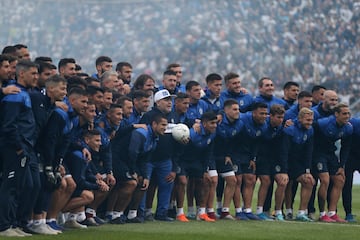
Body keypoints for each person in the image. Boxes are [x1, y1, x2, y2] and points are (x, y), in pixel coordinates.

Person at [0, 60, 39, 237]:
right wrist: (18, 148)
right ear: (21, 74)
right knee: (10, 187)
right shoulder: (14, 95)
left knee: (25, 186)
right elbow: (9, 125)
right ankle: (4, 226)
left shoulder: (23, 93)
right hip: (14, 148)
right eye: (33, 74)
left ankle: (15, 223)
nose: (36, 77)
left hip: (24, 148)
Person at [140, 89, 178, 221]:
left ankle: (162, 213)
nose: (169, 102)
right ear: (157, 102)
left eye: (170, 100)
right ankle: (142, 213)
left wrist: (174, 166)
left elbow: (176, 143)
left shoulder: (174, 116)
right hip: (148, 158)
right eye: (166, 100)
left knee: (167, 185)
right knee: (144, 186)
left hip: (166, 159)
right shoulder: (149, 116)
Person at [125, 112, 168, 223]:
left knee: (143, 183)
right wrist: (132, 171)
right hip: (123, 161)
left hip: (134, 163)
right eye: (162, 125)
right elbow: (131, 153)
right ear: (154, 124)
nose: (165, 128)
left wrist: (145, 176)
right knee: (131, 183)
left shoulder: (155, 138)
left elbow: (145, 159)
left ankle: (132, 214)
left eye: (166, 125)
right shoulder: (141, 133)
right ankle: (114, 213)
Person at [313, 103, 353, 222]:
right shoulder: (323, 124)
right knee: (325, 180)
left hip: (330, 154)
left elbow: (346, 148)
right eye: (344, 113)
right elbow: (310, 134)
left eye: (348, 114)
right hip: (318, 153)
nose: (347, 116)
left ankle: (332, 213)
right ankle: (322, 214)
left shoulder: (348, 128)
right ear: (336, 114)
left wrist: (342, 166)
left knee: (340, 179)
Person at [63, 129, 110, 229]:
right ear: (87, 140)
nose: (100, 144)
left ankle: (72, 219)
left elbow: (87, 173)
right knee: (88, 195)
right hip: (69, 185)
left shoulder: (86, 153)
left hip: (76, 183)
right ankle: (58, 212)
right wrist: (97, 185)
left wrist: (97, 181)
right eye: (97, 141)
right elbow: (79, 181)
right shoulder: (79, 155)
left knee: (95, 188)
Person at [179, 112, 218, 222]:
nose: (215, 125)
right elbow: (181, 150)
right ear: (204, 124)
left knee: (206, 181)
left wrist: (206, 170)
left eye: (215, 123)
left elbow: (208, 152)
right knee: (182, 181)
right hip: (183, 160)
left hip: (197, 161)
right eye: (212, 123)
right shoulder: (191, 133)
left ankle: (201, 212)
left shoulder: (213, 134)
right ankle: (180, 213)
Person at [233, 102, 268, 220]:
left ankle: (247, 210)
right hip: (235, 153)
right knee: (237, 180)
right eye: (261, 113)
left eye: (265, 114)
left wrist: (253, 158)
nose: (264, 116)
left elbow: (257, 142)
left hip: (248, 155)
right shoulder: (242, 119)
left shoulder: (264, 126)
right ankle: (238, 211)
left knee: (251, 179)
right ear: (253, 113)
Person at [282, 108, 315, 222]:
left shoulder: (310, 130)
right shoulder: (289, 130)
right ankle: (288, 211)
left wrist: (307, 171)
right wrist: (284, 169)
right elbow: (284, 151)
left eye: (311, 120)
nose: (310, 122)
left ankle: (301, 212)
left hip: (299, 162)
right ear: (300, 119)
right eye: (307, 120)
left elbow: (309, 151)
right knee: (287, 183)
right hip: (287, 160)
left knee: (309, 181)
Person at [255, 104, 285, 221]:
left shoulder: (281, 128)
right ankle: (259, 211)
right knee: (266, 181)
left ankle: (278, 212)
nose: (280, 120)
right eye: (278, 117)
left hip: (274, 159)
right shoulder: (263, 126)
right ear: (270, 116)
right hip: (262, 158)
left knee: (282, 182)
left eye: (282, 117)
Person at [214, 99, 240, 220]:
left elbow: (233, 141)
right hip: (212, 156)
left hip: (224, 157)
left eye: (238, 109)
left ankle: (225, 211)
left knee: (232, 180)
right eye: (234, 109)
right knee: (210, 182)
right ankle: (206, 210)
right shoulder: (217, 121)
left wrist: (228, 154)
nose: (237, 112)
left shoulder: (238, 122)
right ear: (226, 110)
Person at [342, 117, 360, 222]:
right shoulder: (354, 123)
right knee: (346, 185)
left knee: (347, 185)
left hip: (351, 156)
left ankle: (348, 213)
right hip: (350, 157)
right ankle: (348, 213)